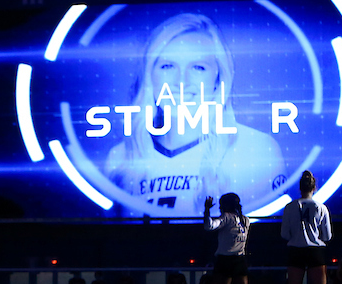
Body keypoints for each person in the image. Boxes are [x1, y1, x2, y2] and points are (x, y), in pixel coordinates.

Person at [105, 13, 284, 216]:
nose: (181, 81)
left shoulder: (256, 150)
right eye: (167, 66)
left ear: (218, 78)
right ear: (149, 75)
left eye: (198, 67)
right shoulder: (120, 158)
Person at [280, 170, 332, 284]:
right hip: (316, 252)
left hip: (295, 251)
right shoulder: (322, 207)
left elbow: (284, 234)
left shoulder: (290, 207)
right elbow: (327, 235)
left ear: (299, 188)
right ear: (314, 188)